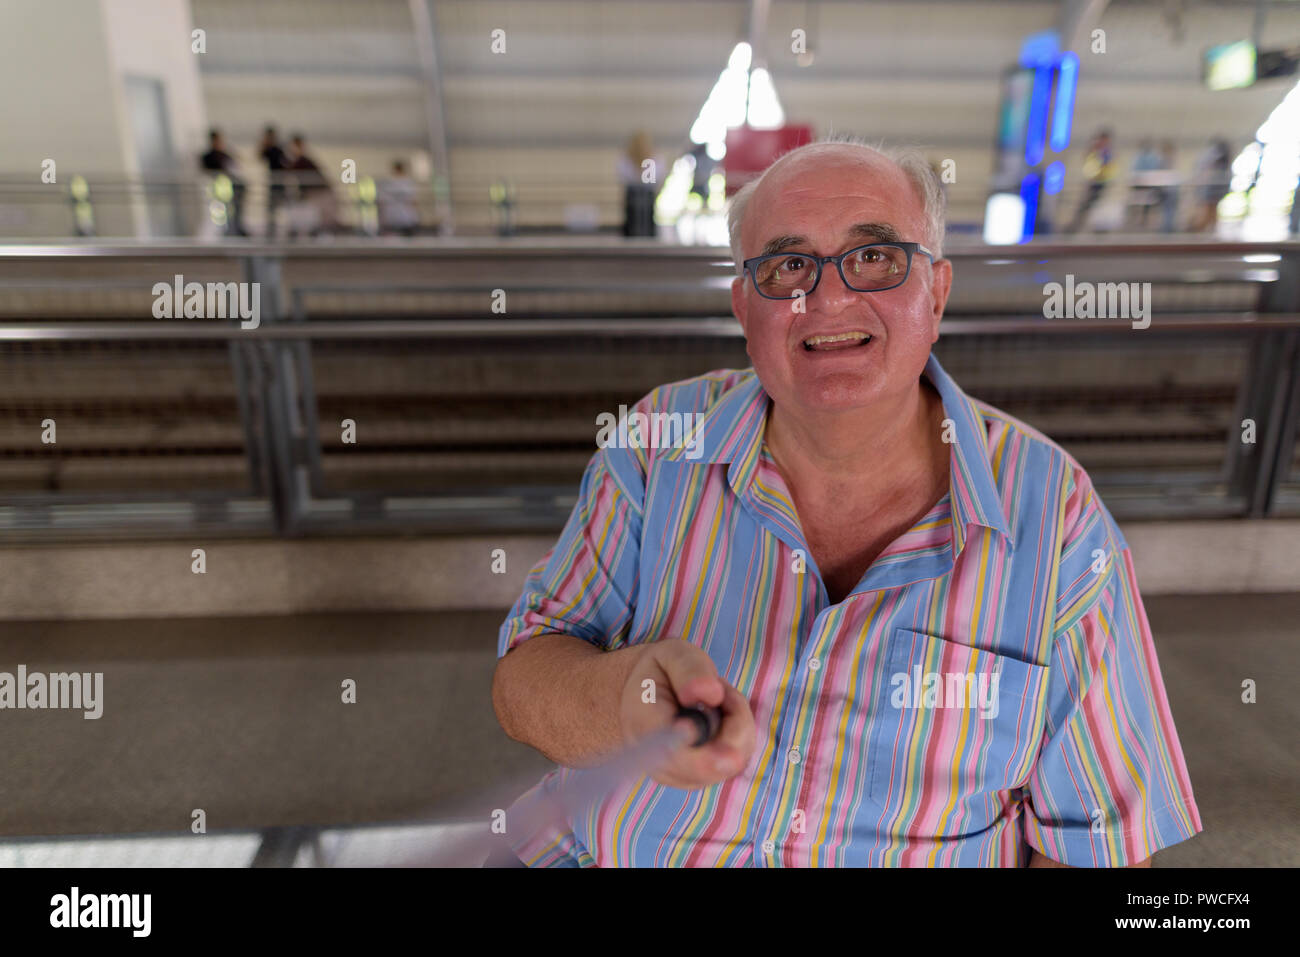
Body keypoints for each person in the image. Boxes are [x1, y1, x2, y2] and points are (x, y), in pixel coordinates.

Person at [490, 138, 1202, 868]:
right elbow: (523, 682)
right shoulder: (658, 443)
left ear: (936, 292)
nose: (828, 299)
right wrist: (624, 702)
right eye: (787, 266)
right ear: (744, 306)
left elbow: (1097, 845)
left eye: (875, 257)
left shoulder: (1055, 517)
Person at [1065, 129, 1115, 234]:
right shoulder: (1095, 150)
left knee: (1095, 205)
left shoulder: (1106, 152)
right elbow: (1088, 163)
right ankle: (1075, 226)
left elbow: (1107, 165)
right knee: (1086, 205)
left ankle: (1096, 227)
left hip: (1102, 181)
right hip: (1093, 181)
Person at [199, 128, 248, 236]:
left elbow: (235, 167)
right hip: (219, 188)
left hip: (229, 188)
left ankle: (234, 229)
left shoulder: (224, 154)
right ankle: (225, 231)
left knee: (232, 210)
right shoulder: (209, 156)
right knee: (221, 211)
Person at [618, 131, 659, 237]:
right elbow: (625, 176)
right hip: (633, 192)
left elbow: (654, 177)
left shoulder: (653, 158)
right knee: (632, 216)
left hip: (647, 192)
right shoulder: (626, 159)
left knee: (647, 216)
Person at [1188, 138, 1233, 233]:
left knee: (1211, 212)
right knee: (1208, 212)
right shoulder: (1214, 156)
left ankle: (1208, 230)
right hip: (1209, 190)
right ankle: (1198, 230)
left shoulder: (1211, 156)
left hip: (1212, 191)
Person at [259, 125, 290, 239]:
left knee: (285, 206)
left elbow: (286, 163)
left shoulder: (279, 148)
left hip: (280, 182)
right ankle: (271, 229)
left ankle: (289, 229)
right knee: (272, 208)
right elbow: (259, 156)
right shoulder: (269, 149)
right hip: (273, 183)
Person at [377, 160, 420, 236]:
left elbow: (381, 203)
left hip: (400, 219)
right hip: (399, 219)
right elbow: (414, 201)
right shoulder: (407, 183)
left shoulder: (388, 183)